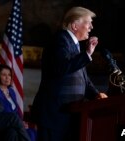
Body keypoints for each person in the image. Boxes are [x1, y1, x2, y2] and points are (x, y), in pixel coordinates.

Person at [31, 7, 108, 141]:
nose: (91, 27)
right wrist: (87, 54)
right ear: (74, 25)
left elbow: (83, 79)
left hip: (67, 115)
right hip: (55, 115)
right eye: (88, 22)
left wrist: (96, 94)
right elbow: (61, 67)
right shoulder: (60, 40)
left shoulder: (74, 44)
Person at [0, 64, 37, 141]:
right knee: (14, 133)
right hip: (4, 124)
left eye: (9, 75)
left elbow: (16, 112)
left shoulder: (11, 91)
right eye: (4, 75)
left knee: (31, 132)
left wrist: (21, 123)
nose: (7, 77)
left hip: (15, 123)